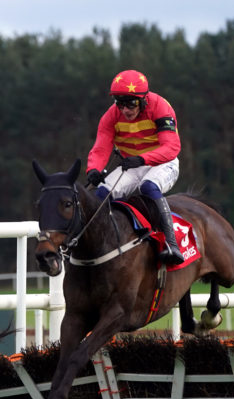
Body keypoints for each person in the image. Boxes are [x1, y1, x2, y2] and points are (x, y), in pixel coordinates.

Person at [86, 69, 184, 265]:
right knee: (100, 194)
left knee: (148, 187)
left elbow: (172, 147)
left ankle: (172, 245)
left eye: (131, 103)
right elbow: (100, 148)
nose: (125, 110)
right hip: (133, 165)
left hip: (164, 162)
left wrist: (142, 158)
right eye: (120, 103)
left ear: (144, 100)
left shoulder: (160, 107)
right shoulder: (110, 116)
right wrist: (93, 170)